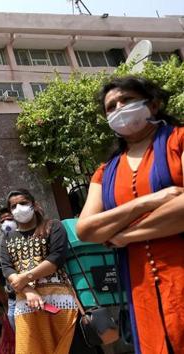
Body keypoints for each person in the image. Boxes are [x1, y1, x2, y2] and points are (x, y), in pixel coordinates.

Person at [76, 76, 184, 353]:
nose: (119, 108)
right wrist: (147, 202)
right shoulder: (105, 171)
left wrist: (124, 234)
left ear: (154, 104)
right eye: (111, 106)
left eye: (127, 100)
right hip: (141, 287)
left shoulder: (178, 140)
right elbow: (86, 229)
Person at [0, 189, 77, 354]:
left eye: (23, 203)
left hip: (58, 300)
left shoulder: (53, 226)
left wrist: (27, 277)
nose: (19, 208)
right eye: (13, 206)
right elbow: (6, 268)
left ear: (33, 205)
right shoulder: (7, 239)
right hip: (25, 303)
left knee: (63, 348)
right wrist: (28, 291)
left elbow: (56, 258)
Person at [0, 207, 17, 330]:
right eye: (2, 221)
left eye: (9, 219)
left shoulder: (31, 238)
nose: (6, 223)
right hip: (14, 300)